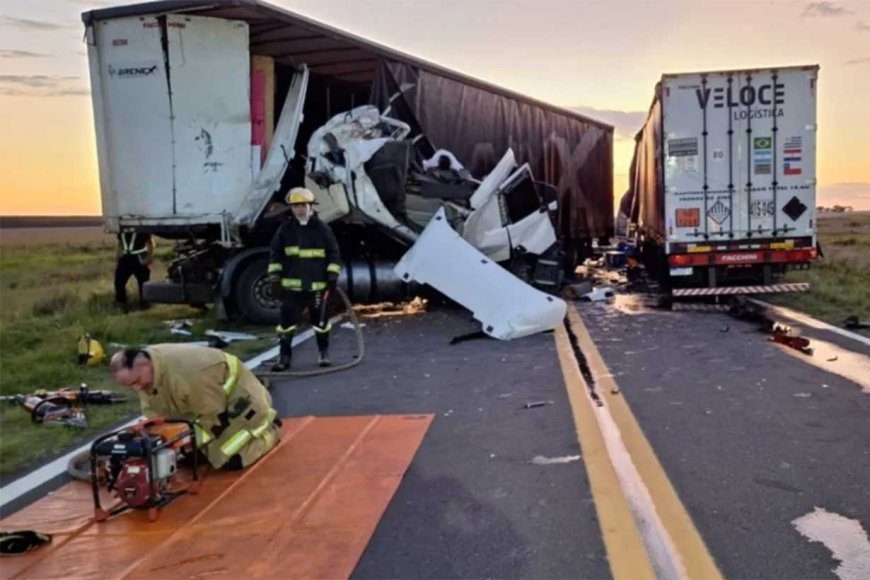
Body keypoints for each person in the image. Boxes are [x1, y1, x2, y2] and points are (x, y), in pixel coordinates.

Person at [109, 344, 280, 470]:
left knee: (231, 459)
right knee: (191, 459)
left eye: (136, 382)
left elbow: (212, 416)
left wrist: (186, 442)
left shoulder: (189, 375)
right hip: (208, 404)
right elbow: (155, 414)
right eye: (130, 385)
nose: (136, 389)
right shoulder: (149, 373)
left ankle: (270, 431)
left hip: (240, 402)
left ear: (144, 365)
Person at [268, 187, 341, 371]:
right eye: (295, 206)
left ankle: (323, 354)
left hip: (317, 287)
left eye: (303, 205)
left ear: (311, 206)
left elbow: (333, 253)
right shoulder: (285, 229)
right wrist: (275, 278)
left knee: (321, 323)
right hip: (292, 289)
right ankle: (284, 358)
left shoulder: (322, 228)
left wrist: (332, 276)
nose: (299, 209)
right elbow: (276, 255)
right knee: (286, 325)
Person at [115, 230, 155, 310]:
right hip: (125, 258)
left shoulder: (141, 229)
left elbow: (150, 242)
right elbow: (120, 243)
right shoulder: (122, 229)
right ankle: (122, 305)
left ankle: (144, 305)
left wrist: (149, 257)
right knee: (119, 282)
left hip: (140, 258)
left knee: (143, 283)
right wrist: (118, 255)